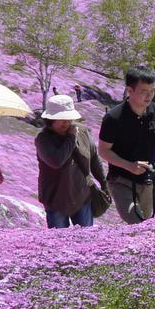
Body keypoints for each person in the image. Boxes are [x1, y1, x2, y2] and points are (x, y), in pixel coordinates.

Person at [98, 67, 155, 224]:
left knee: (148, 224)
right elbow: (104, 151)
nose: (149, 96)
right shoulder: (113, 118)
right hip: (120, 179)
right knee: (136, 222)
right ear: (130, 90)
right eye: (144, 91)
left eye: (152, 90)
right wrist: (129, 166)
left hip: (147, 179)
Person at [36, 94, 108, 228]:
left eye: (69, 118)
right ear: (50, 119)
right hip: (55, 200)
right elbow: (57, 161)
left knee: (86, 241)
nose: (66, 122)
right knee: (59, 242)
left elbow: (94, 159)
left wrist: (104, 184)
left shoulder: (83, 131)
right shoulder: (43, 139)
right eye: (61, 119)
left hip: (82, 196)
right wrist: (71, 138)